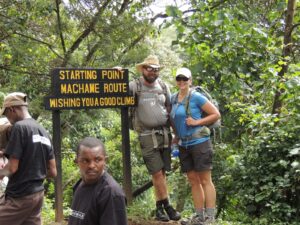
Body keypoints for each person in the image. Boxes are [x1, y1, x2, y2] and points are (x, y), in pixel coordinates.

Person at [128, 55, 180, 222]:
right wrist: (115, 74)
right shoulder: (134, 86)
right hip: (146, 134)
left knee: (162, 173)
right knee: (157, 172)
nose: (153, 71)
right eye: (149, 68)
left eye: (156, 69)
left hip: (165, 134)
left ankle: (158, 209)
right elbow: (115, 91)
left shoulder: (163, 86)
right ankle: (168, 207)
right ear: (143, 69)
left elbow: (169, 109)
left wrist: (176, 133)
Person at [170, 68, 221, 225]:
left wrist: (196, 122)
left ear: (190, 80)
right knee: (193, 180)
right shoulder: (173, 98)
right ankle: (199, 217)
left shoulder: (196, 97)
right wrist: (176, 137)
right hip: (183, 144)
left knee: (205, 180)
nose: (182, 82)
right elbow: (174, 120)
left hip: (200, 143)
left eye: (185, 79)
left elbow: (216, 114)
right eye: (179, 78)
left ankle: (209, 218)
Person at [0, 92, 57, 225]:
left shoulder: (19, 128)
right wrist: (33, 174)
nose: (8, 119)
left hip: (19, 196)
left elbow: (12, 167)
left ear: (12, 109)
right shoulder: (43, 131)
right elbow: (53, 171)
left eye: (6, 114)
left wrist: (2, 174)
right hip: (37, 195)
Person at [68, 137, 128, 225]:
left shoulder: (110, 193)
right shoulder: (79, 185)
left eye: (97, 160)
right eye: (85, 160)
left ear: (105, 160)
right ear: (77, 161)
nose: (91, 165)